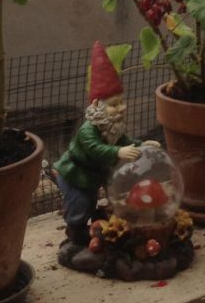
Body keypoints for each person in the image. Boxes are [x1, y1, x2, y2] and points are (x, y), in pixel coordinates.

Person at [54, 41, 141, 246]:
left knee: (92, 200)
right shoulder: (88, 130)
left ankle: (97, 224)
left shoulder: (111, 128)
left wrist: (144, 144)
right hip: (75, 173)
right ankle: (75, 233)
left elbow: (124, 141)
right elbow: (97, 150)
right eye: (114, 105)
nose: (120, 108)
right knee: (80, 202)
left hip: (92, 176)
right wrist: (119, 152)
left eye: (121, 102)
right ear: (96, 105)